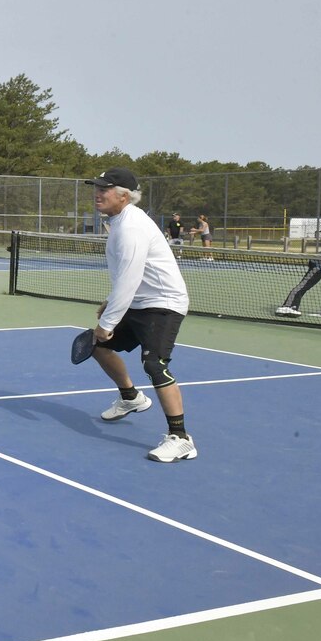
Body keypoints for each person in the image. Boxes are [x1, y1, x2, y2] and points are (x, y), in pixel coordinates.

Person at [83, 168, 196, 463]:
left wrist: (106, 324)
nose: (97, 193)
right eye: (96, 187)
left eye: (104, 189)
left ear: (124, 196)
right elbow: (125, 276)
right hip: (138, 301)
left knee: (154, 364)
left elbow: (130, 279)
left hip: (163, 303)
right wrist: (110, 303)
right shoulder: (118, 222)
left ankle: (181, 438)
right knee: (98, 347)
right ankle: (131, 397)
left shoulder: (131, 228)